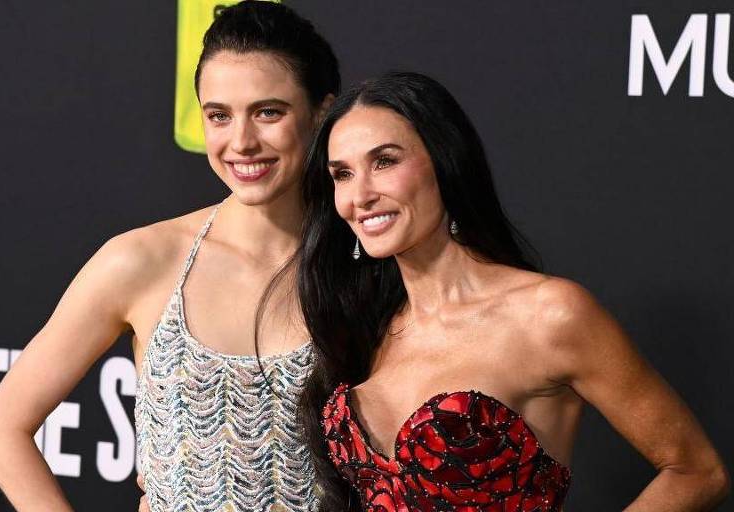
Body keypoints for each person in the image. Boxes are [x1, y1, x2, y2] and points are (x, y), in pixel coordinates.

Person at [295, 71, 730, 511]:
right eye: (342, 174)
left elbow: (696, 471)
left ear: (445, 161)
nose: (360, 195)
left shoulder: (551, 314)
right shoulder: (365, 323)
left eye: (385, 161)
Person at [0, 3, 339, 511]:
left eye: (268, 112)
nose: (242, 142)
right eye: (219, 116)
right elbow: (1, 428)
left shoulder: (367, 265)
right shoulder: (143, 261)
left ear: (322, 113)